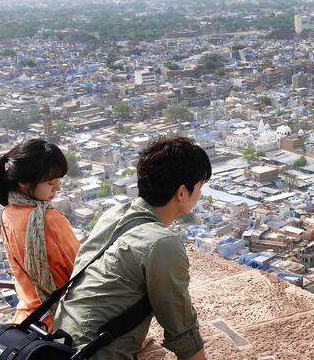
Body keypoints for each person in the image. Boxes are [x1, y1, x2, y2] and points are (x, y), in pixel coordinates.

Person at [55, 136, 211, 360]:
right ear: (181, 192)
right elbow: (182, 330)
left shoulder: (114, 215)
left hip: (61, 345)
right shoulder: (161, 242)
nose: (200, 194)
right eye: (199, 186)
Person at [0, 138, 80, 332]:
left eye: (58, 180)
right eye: (50, 182)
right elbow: (81, 268)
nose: (57, 188)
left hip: (27, 318)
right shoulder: (49, 218)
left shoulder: (8, 213)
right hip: (60, 320)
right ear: (23, 182)